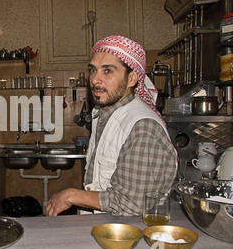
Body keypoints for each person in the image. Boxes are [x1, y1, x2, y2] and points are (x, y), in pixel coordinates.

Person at [46, 35, 177, 216]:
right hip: (106, 233)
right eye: (93, 70)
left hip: (130, 238)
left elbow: (132, 203)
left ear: (132, 78)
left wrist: (71, 195)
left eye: (107, 71)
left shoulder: (143, 127)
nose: (95, 80)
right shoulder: (104, 114)